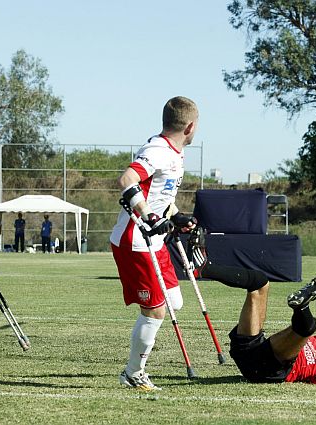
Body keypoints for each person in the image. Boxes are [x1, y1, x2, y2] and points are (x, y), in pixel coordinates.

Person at [187, 228, 316, 384]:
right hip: (253, 351)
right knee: (259, 282)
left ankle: (301, 307)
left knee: (309, 327)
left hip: (268, 370)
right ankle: (204, 268)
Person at [110, 96, 199, 391]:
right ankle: (133, 372)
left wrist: (176, 216)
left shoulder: (175, 153)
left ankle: (140, 355)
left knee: (175, 301)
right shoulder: (157, 150)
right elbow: (127, 180)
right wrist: (148, 216)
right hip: (135, 241)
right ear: (190, 126)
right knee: (156, 311)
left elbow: (160, 197)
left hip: (156, 240)